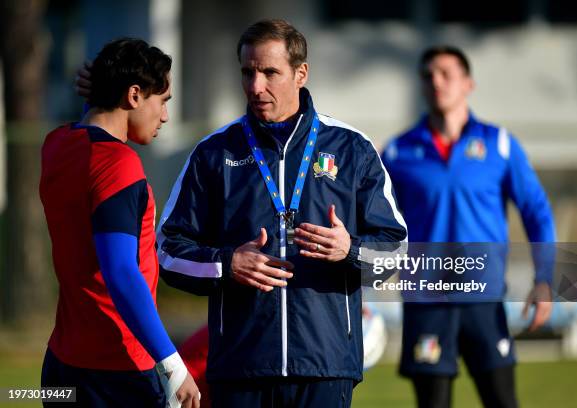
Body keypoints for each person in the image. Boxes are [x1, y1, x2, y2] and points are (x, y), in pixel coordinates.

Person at [156, 19, 407, 407]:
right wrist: (227, 264)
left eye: (269, 72)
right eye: (247, 72)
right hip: (241, 367)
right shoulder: (213, 153)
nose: (256, 86)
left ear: (300, 73)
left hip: (325, 367)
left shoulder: (352, 148)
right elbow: (168, 251)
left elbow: (396, 250)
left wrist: (350, 250)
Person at [382, 46, 556, 408]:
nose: (436, 82)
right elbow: (372, 223)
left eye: (446, 73)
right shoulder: (397, 153)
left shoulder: (500, 145)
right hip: (425, 300)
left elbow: (536, 210)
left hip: (484, 299)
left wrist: (545, 277)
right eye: (428, 75)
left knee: (502, 401)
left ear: (468, 84)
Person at [40, 38, 199, 408]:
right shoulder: (118, 165)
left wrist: (97, 91)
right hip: (119, 372)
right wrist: (174, 365)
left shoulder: (57, 144)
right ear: (133, 95)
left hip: (60, 367)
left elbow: (89, 125)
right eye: (163, 101)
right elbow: (122, 273)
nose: (164, 116)